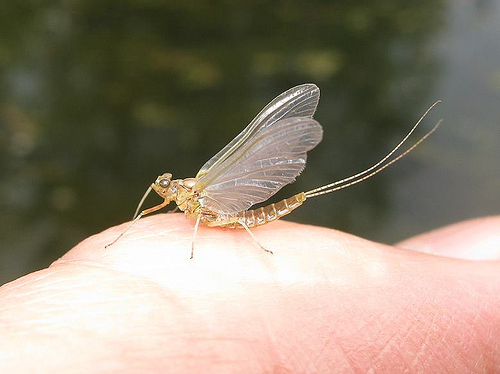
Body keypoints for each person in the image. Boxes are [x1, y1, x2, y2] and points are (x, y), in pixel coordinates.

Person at [1, 214, 499, 372]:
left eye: (169, 186)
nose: (165, 192)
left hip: (244, 217)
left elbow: (203, 225)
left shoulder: (198, 201)